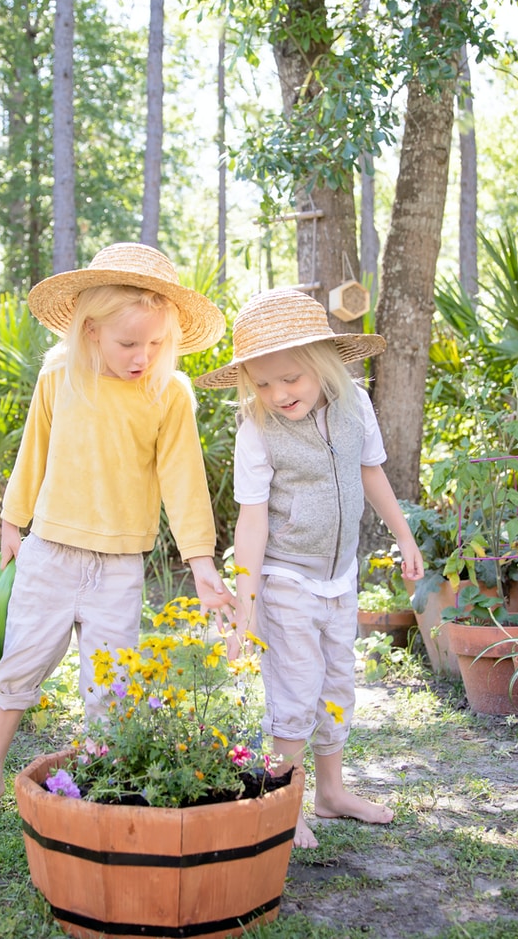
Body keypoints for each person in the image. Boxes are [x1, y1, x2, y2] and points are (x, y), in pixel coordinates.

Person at [0, 243, 232, 825]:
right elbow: (34, 448)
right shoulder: (60, 373)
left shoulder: (169, 392)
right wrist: (13, 521)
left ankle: (104, 792)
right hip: (50, 552)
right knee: (19, 670)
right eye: (128, 344)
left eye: (155, 344)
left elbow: (184, 480)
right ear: (89, 333)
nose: (142, 356)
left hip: (118, 566)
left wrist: (201, 562)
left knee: (110, 690)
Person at [196, 288, 424, 849]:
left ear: (324, 364)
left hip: (340, 577)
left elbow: (372, 474)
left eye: (291, 378)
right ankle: (284, 802)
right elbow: (252, 524)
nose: (278, 394)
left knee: (337, 685)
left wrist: (404, 534)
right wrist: (245, 609)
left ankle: (331, 792)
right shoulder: (257, 429)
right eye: (264, 383)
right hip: (285, 577)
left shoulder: (356, 406)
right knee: (295, 689)